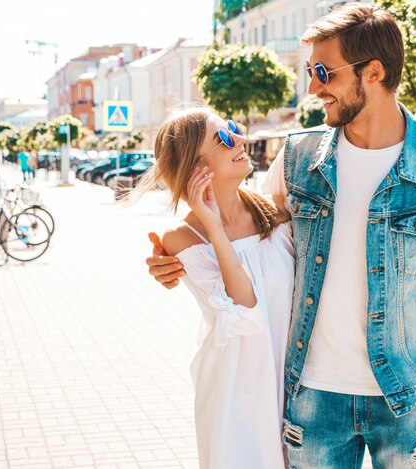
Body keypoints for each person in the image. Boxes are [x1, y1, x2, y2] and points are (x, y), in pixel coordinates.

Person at [147, 4, 416, 468]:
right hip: (312, 400)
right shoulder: (297, 157)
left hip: (406, 400)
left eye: (322, 72)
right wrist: (175, 257)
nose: (312, 87)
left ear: (373, 72)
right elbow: (244, 229)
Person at [139, 107, 294, 469]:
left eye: (234, 130)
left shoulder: (276, 212)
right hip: (236, 397)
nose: (239, 140)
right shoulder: (182, 238)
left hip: (292, 390)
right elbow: (244, 309)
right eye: (223, 138)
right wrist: (214, 227)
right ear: (196, 168)